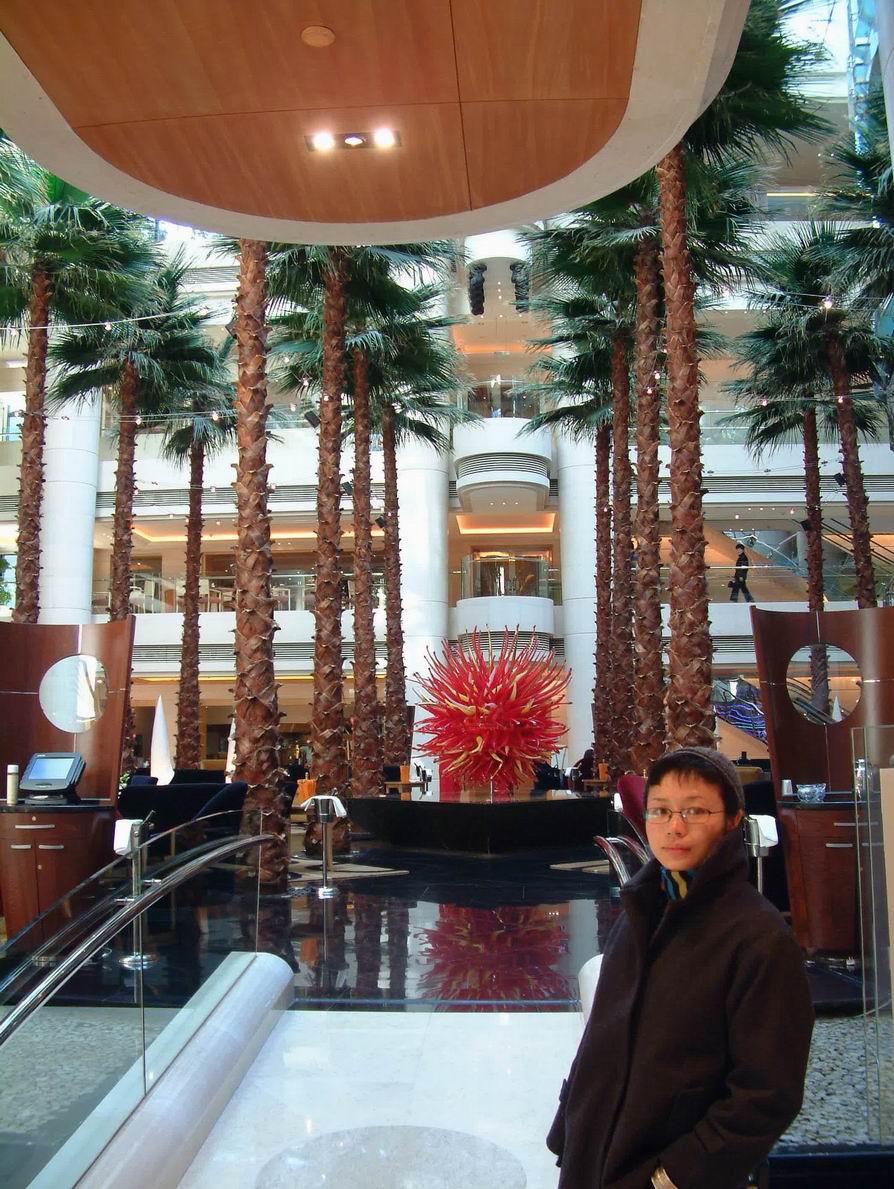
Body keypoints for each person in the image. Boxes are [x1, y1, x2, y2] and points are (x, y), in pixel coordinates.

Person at [547, 747, 813, 1189]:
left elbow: (767, 1092)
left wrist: (674, 1176)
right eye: (660, 811)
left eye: (695, 811)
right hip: (592, 1161)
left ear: (732, 820)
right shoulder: (642, 910)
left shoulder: (758, 938)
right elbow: (601, 1037)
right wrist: (568, 1129)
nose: (675, 826)